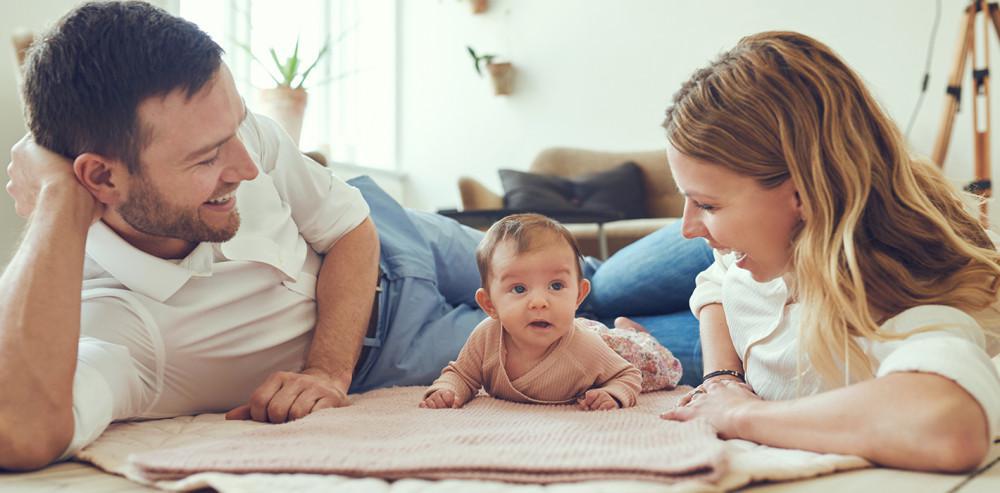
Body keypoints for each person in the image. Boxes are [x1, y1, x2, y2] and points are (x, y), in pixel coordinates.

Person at [0, 1, 712, 470]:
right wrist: (59, 198)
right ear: (100, 178)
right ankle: (784, 312)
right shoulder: (115, 325)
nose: (247, 166)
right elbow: (18, 429)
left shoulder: (230, 132)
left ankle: (796, 229)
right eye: (206, 158)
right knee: (608, 340)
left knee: (593, 277)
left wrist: (323, 373)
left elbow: (346, 226)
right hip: (393, 343)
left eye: (237, 130)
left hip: (389, 233)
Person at [654, 31, 1000, 473]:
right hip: (739, 303)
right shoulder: (756, 245)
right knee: (594, 288)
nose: (685, 227)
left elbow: (951, 425)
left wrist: (738, 414)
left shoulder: (900, 301)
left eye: (706, 203)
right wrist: (724, 378)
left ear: (803, 194)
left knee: (578, 320)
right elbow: (717, 281)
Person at [421, 214, 647, 411]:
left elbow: (628, 374)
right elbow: (462, 374)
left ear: (579, 295)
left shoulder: (585, 347)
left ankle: (635, 334)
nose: (539, 302)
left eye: (556, 286)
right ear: (490, 305)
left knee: (649, 359)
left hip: (619, 350)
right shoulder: (486, 337)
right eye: (519, 289)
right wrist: (447, 388)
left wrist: (613, 394)